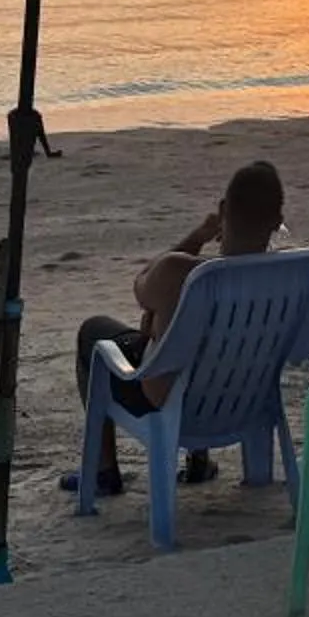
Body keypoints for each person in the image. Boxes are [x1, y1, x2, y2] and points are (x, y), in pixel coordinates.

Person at [65, 158, 285, 498]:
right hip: (248, 398)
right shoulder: (289, 275)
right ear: (277, 221)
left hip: (170, 401)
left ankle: (103, 473)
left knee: (94, 332)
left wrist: (198, 235)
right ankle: (200, 462)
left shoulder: (179, 273)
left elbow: (142, 285)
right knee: (187, 336)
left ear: (223, 209)